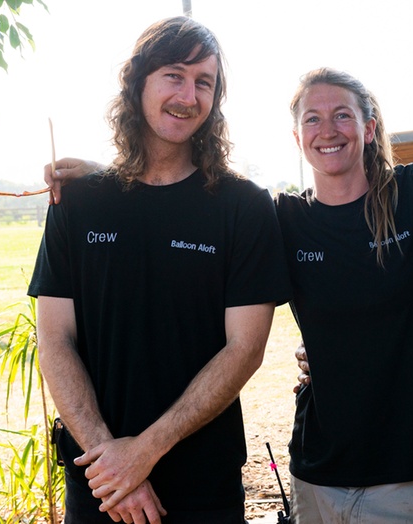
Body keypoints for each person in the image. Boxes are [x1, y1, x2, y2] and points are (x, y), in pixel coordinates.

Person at [45, 72, 413, 524]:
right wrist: (104, 181)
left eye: (343, 115)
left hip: (410, 471)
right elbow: (187, 203)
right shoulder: (284, 220)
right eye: (313, 119)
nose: (329, 130)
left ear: (369, 128)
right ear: (297, 136)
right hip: (316, 471)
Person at [28, 16, 291, 524]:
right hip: (98, 482)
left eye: (204, 82)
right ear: (138, 83)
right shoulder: (78, 201)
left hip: (202, 485)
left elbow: (245, 349)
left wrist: (142, 453)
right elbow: (54, 339)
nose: (188, 95)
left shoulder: (242, 206)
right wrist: (111, 460)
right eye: (174, 74)